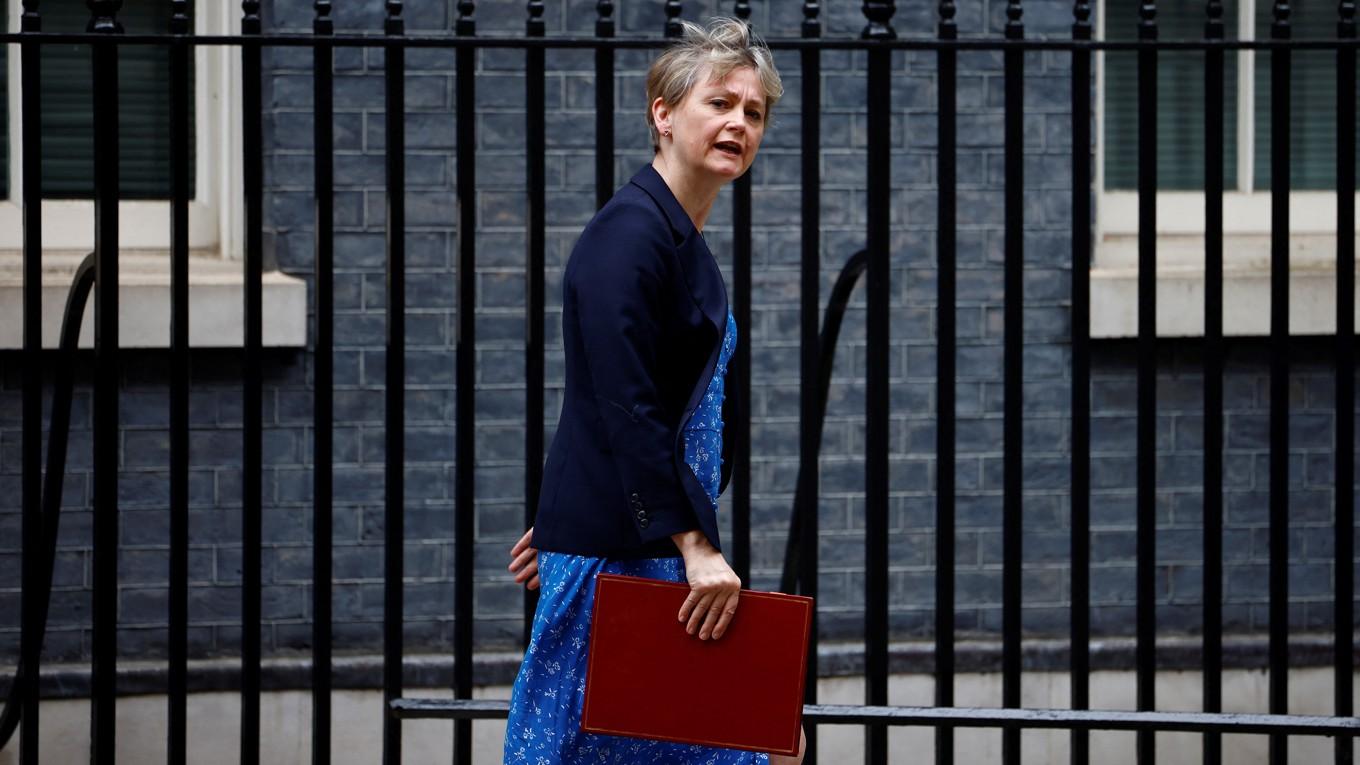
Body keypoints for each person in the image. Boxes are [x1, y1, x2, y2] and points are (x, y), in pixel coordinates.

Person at [502, 16, 807, 765]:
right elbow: (623, 402)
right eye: (721, 102)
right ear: (663, 115)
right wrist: (694, 544)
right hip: (635, 561)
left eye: (755, 111)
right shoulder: (628, 236)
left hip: (647, 549)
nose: (740, 121)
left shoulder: (673, 237)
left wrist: (572, 512)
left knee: (741, 741)